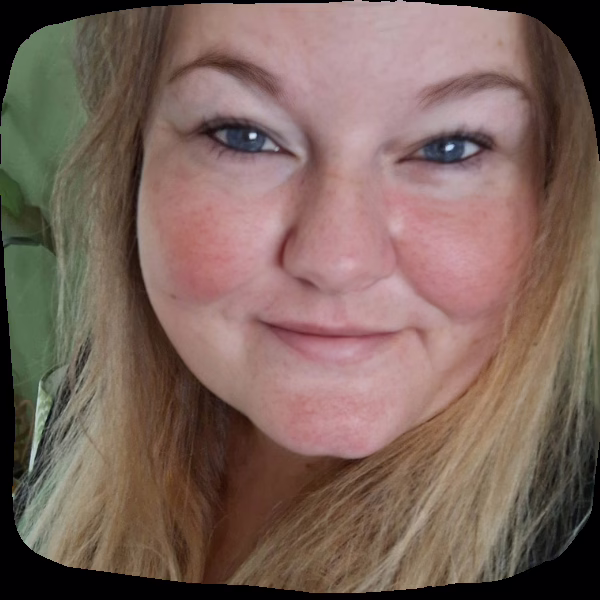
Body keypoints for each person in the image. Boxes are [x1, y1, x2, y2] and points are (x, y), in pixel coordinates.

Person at [14, 4, 599, 590]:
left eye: (449, 147)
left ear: (553, 185)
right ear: (135, 156)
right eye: (244, 136)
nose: (337, 262)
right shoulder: (90, 400)